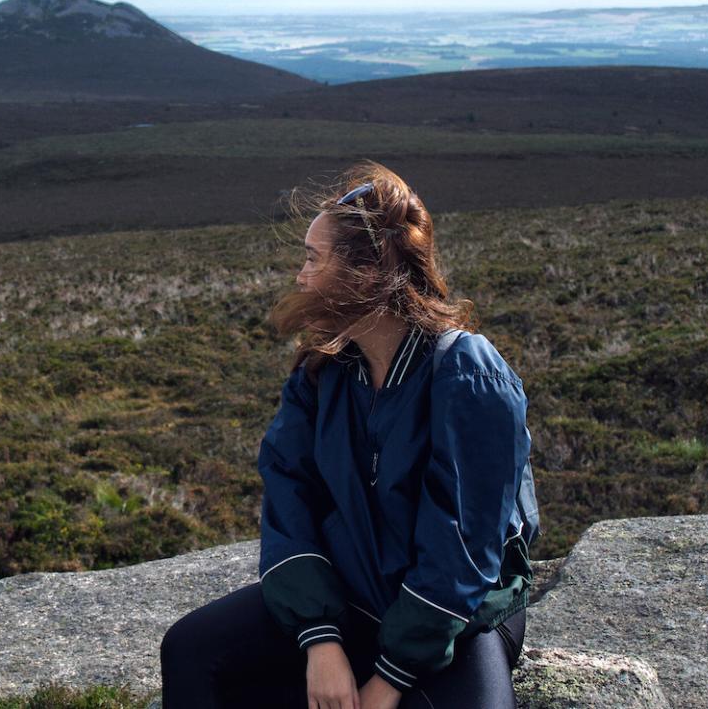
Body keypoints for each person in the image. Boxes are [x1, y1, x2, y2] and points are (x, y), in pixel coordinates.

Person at [161, 161, 539, 708]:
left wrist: (388, 681)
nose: (301, 276)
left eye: (313, 259)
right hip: (353, 599)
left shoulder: (465, 373)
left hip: (456, 620)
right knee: (191, 650)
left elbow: (462, 551)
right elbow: (288, 493)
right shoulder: (324, 369)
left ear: (365, 274)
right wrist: (320, 639)